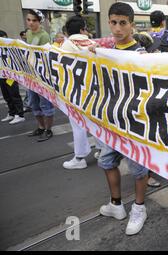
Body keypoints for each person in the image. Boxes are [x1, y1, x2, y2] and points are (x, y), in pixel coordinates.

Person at [96, 2, 149, 236]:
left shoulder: (140, 55)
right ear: (109, 23)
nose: (117, 28)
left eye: (123, 23)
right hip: (110, 119)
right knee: (107, 161)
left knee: (138, 167)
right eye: (113, 23)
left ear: (132, 25)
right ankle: (116, 204)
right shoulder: (105, 51)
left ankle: (139, 207)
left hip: (133, 122)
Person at [60, 15, 97, 170]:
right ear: (83, 29)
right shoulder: (93, 43)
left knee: (77, 123)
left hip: (75, 90)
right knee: (96, 121)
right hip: (95, 89)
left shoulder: (66, 45)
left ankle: (80, 157)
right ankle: (101, 150)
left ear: (68, 32)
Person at [25, 9, 55, 142]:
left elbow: (46, 57)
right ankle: (41, 127)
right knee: (33, 103)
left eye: (34, 20)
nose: (31, 23)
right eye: (29, 19)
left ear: (40, 21)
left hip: (42, 76)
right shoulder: (28, 33)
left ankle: (48, 130)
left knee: (45, 104)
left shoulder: (44, 36)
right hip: (30, 75)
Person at [0, 30, 25, 125]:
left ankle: (20, 115)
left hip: (11, 75)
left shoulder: (11, 47)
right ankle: (12, 113)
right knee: (6, 95)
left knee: (14, 94)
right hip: (1, 75)